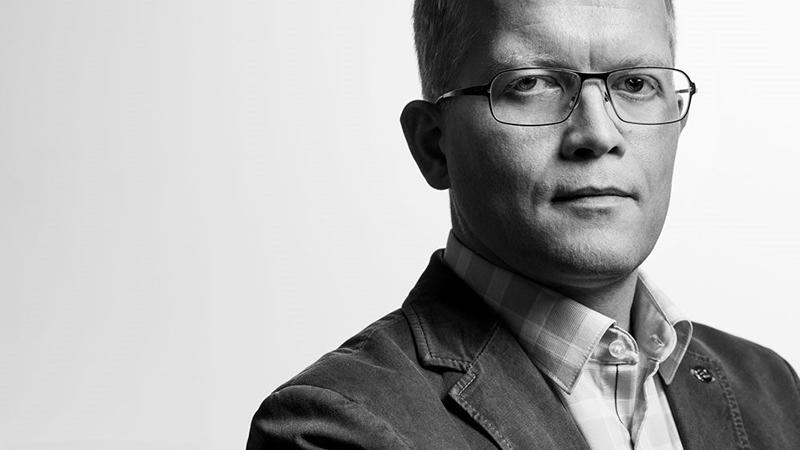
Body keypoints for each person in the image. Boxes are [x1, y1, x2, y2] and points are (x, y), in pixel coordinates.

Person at [247, 0, 800, 448]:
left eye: (635, 84)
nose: (598, 133)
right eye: (532, 83)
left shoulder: (773, 391)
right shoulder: (338, 428)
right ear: (433, 145)